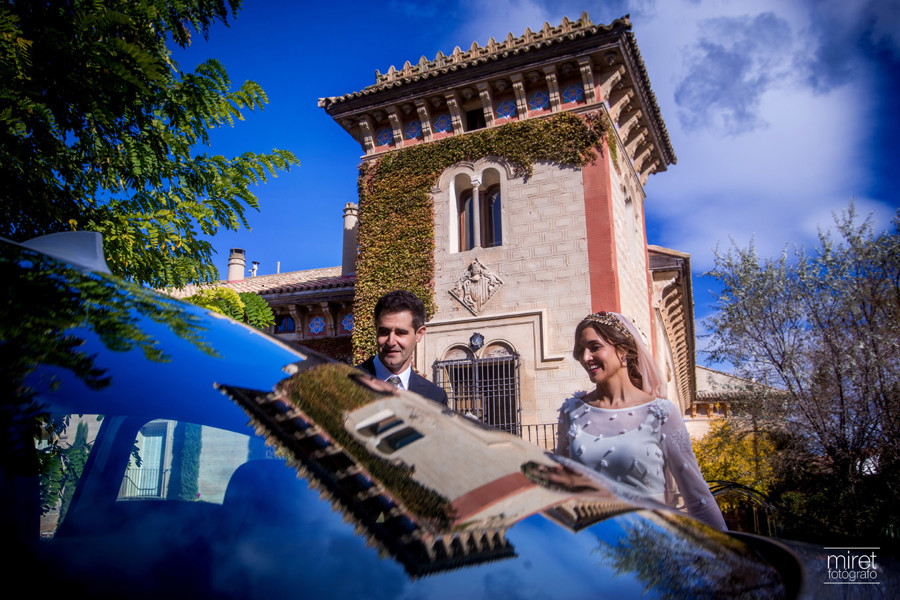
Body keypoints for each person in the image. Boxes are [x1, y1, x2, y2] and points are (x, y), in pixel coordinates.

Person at [555, 311, 727, 530]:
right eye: (580, 351)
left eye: (594, 347)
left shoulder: (661, 414)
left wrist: (730, 558)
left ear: (623, 350)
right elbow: (558, 492)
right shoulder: (571, 412)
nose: (585, 357)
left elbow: (697, 498)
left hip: (650, 547)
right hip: (591, 548)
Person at [356, 290, 448, 405]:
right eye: (384, 331)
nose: (391, 342)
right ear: (376, 328)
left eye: (400, 333)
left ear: (419, 334)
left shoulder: (435, 397)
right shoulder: (344, 384)